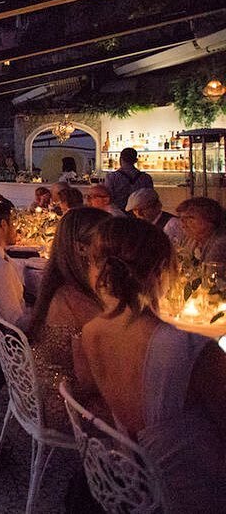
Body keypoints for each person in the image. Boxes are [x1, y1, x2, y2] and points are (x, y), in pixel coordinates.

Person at [75, 217, 226, 514]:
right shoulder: (191, 350)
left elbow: (94, 397)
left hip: (135, 480)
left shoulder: (90, 332)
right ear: (161, 271)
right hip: (196, 492)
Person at [25, 207, 109, 432]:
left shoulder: (59, 284)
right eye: (107, 241)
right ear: (82, 248)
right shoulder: (77, 300)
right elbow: (89, 382)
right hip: (64, 406)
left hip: (39, 393)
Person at [175, 196, 226, 264]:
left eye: (190, 218)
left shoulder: (220, 244)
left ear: (210, 219)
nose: (183, 225)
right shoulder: (189, 240)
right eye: (181, 219)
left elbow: (210, 272)